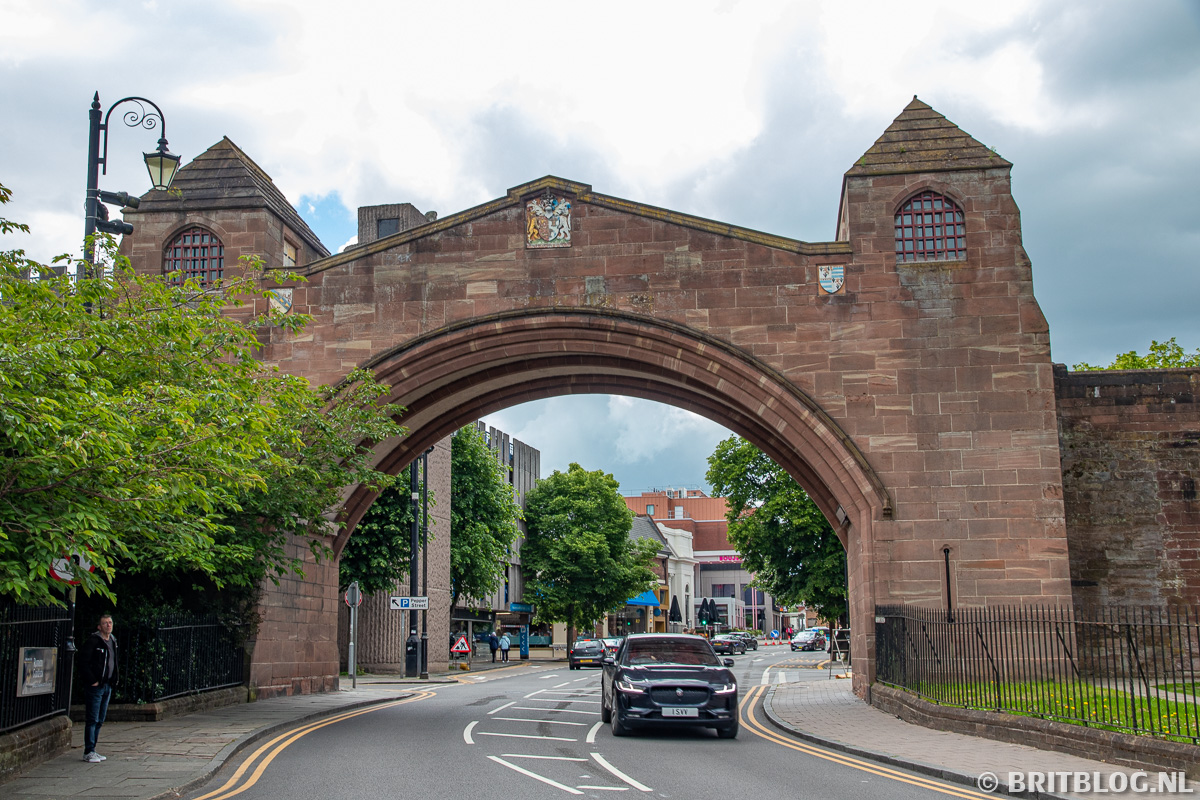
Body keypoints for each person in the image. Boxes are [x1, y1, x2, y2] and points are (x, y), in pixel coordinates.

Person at [79, 613, 119, 763]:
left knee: (100, 719)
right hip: (96, 686)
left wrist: (113, 679)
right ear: (99, 626)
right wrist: (92, 680)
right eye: (105, 623)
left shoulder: (113, 640)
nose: (108, 625)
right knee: (93, 718)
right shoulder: (94, 641)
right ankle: (89, 751)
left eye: (110, 622)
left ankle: (93, 749)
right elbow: (83, 663)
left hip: (107, 685)